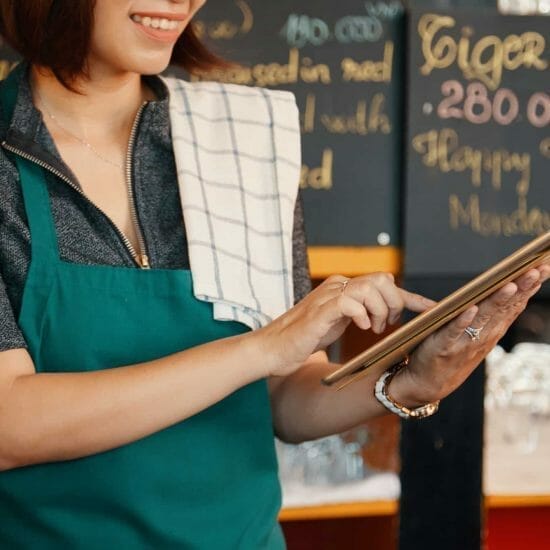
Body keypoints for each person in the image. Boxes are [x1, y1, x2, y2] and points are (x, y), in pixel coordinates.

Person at [0, 1, 547, 548]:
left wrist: (410, 380)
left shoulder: (241, 141)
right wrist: (261, 349)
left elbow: (284, 398)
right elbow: (10, 426)